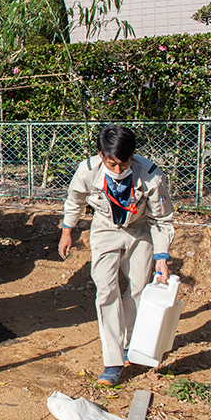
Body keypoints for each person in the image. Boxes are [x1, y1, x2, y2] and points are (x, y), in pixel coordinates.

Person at [58, 125, 175, 386]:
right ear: (101, 155)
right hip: (105, 229)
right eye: (112, 164)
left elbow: (162, 219)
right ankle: (112, 362)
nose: (119, 170)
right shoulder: (87, 171)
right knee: (106, 290)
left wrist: (162, 258)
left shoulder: (151, 176)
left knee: (137, 289)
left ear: (133, 156)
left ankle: (127, 344)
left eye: (124, 163)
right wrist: (67, 231)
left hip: (139, 229)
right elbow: (74, 200)